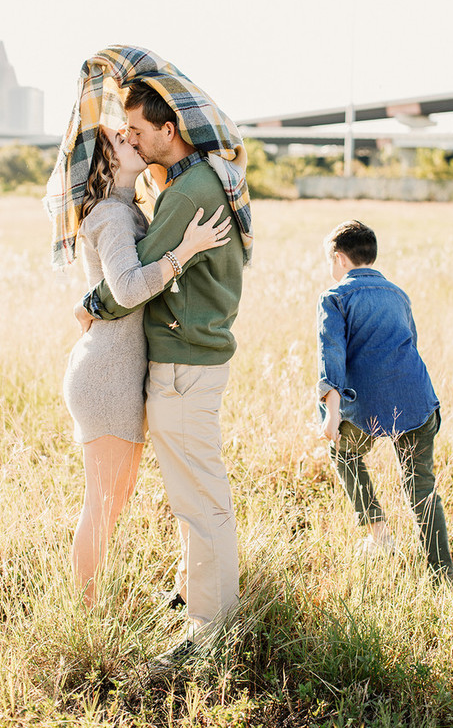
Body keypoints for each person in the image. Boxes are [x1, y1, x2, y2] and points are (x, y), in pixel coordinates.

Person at [78, 79, 248, 662]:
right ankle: (191, 597)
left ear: (168, 130)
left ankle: (208, 631)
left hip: (182, 365)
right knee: (195, 495)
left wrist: (90, 304)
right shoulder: (198, 180)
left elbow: (129, 286)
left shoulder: (186, 193)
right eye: (123, 134)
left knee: (200, 502)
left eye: (138, 131)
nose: (131, 139)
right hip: (190, 360)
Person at [62, 126, 231, 606]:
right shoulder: (112, 214)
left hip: (115, 371)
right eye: (121, 140)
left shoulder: (125, 208)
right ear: (106, 162)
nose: (131, 140)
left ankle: (89, 604)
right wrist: (185, 251)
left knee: (112, 499)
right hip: (107, 377)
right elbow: (129, 288)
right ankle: (85, 612)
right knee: (104, 504)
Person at [317, 220, 453, 581]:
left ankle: (379, 535)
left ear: (339, 258)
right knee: (421, 487)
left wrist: (331, 414)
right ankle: (442, 575)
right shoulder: (398, 294)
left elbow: (332, 355)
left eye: (330, 261)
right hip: (418, 399)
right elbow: (412, 343)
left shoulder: (334, 297)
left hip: (366, 406)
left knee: (343, 453)